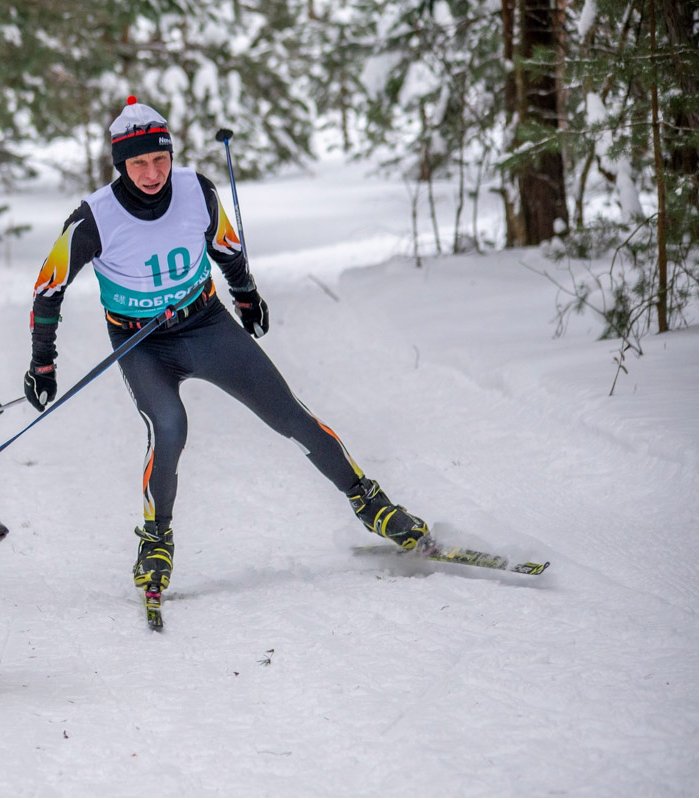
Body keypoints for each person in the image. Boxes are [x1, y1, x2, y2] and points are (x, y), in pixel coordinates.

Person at [23, 97, 428, 622]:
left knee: (289, 414)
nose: (152, 173)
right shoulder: (93, 217)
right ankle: (156, 538)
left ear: (172, 155)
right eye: (138, 163)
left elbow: (228, 247)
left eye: (160, 160)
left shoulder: (197, 190)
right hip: (141, 343)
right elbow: (47, 289)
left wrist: (246, 295)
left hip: (206, 323)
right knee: (168, 427)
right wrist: (43, 363)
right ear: (119, 165)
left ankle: (370, 503)